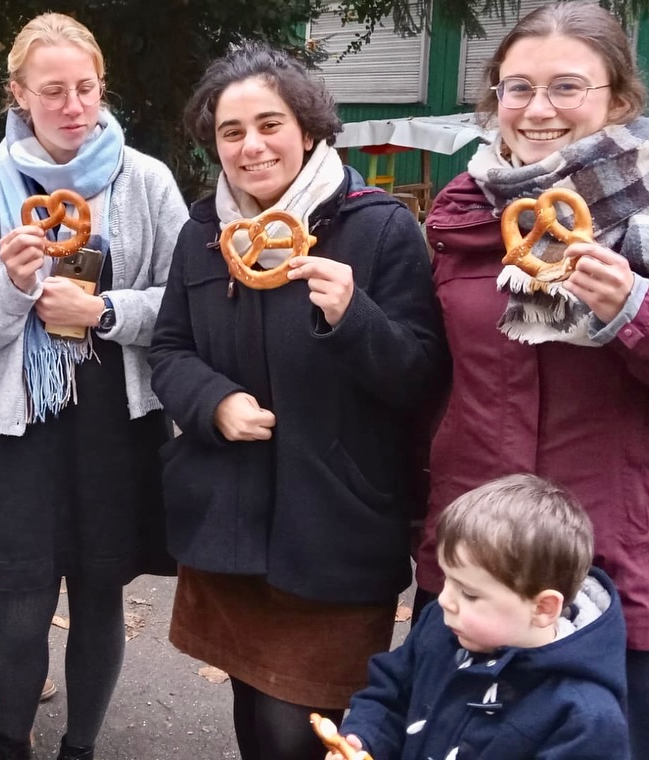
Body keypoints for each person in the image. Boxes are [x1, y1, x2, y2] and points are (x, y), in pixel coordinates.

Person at [417, 0, 649, 760]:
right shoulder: (465, 212)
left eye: (566, 87)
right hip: (470, 554)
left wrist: (637, 312)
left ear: (617, 98)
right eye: (518, 87)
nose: (537, 109)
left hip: (606, 560)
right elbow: (436, 376)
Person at [149, 42, 448, 760]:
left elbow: (421, 376)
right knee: (251, 711)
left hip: (334, 530)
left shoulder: (377, 228)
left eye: (269, 124)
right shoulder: (203, 236)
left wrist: (354, 316)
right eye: (231, 131)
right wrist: (213, 403)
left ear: (308, 128)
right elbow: (168, 350)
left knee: (299, 734)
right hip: (231, 525)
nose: (251, 147)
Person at [0, 12, 187, 760]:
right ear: (18, 94)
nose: (74, 107)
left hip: (116, 423)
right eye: (52, 91)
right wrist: (15, 288)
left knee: (99, 596)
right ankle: (13, 745)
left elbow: (186, 305)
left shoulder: (145, 180)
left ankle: (79, 749)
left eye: (86, 88)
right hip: (19, 427)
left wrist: (106, 310)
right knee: (18, 609)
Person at [335, 475, 629, 760]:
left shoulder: (583, 718)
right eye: (446, 578)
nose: (445, 600)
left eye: (470, 594)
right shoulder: (439, 628)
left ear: (543, 608)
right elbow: (391, 694)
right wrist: (364, 740)